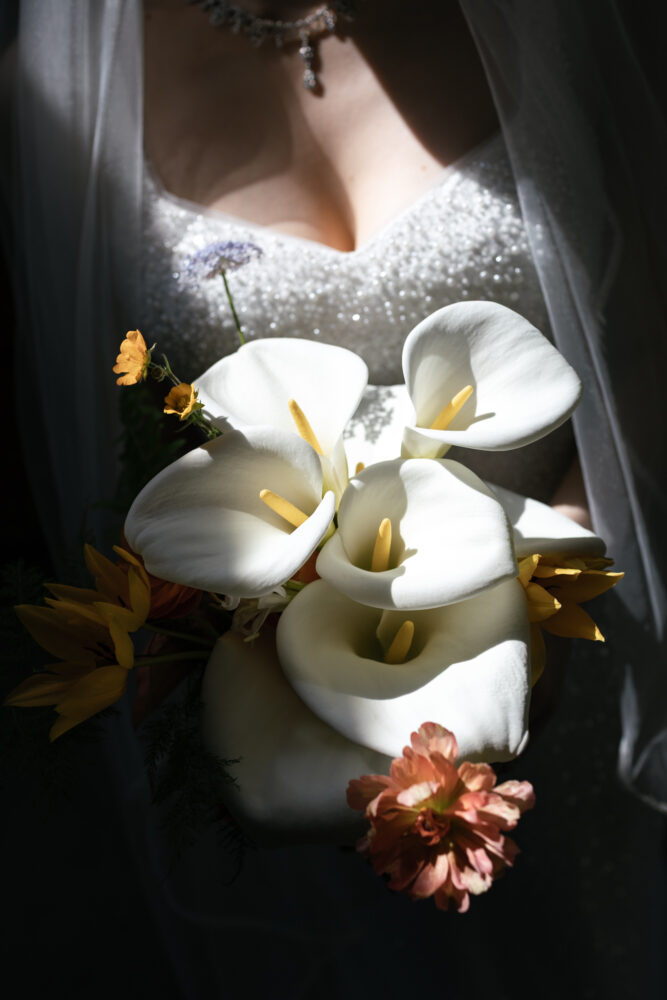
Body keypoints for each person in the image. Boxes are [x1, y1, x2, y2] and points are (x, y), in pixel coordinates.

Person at [2, 2, 666, 997]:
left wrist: (547, 579)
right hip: (284, 733)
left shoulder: (558, 20)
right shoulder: (56, 89)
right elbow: (109, 445)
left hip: (564, 648)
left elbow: (648, 320)